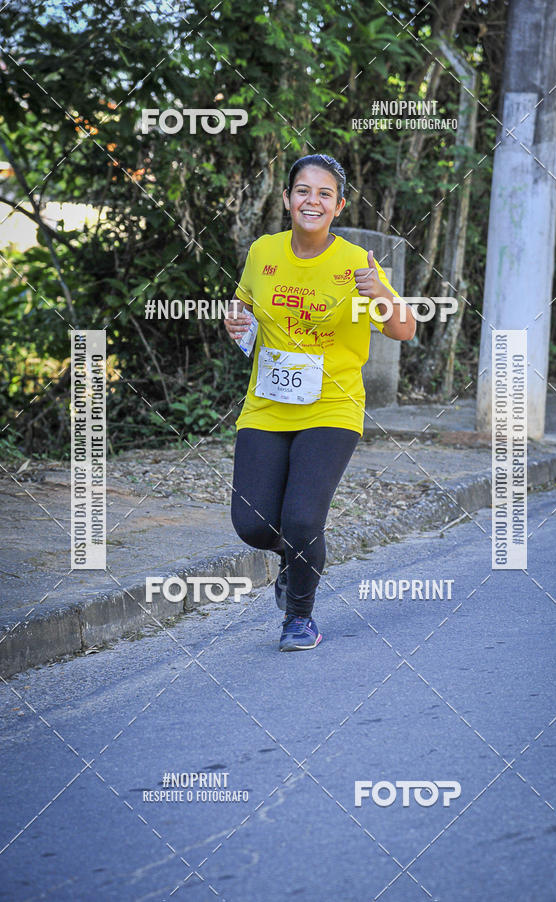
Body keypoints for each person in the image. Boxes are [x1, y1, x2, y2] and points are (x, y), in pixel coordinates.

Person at [224, 153, 416, 651]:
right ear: (286, 198)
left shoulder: (355, 263)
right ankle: (295, 560)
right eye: (303, 190)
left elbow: (404, 328)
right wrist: (235, 323)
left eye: (324, 194)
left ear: (338, 205)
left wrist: (381, 293)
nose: (312, 200)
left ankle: (299, 618)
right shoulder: (262, 252)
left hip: (333, 405)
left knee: (304, 519)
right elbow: (243, 310)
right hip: (266, 404)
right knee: (251, 523)